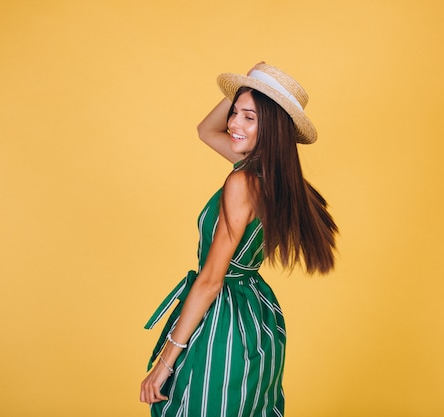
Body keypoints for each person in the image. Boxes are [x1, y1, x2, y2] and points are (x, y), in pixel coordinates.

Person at [140, 62, 338, 417]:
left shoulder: (242, 183)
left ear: (273, 128)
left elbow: (211, 280)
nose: (233, 124)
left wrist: (165, 361)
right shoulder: (273, 177)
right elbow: (206, 130)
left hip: (223, 320)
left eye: (249, 117)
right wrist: (246, 84)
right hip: (257, 316)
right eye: (234, 113)